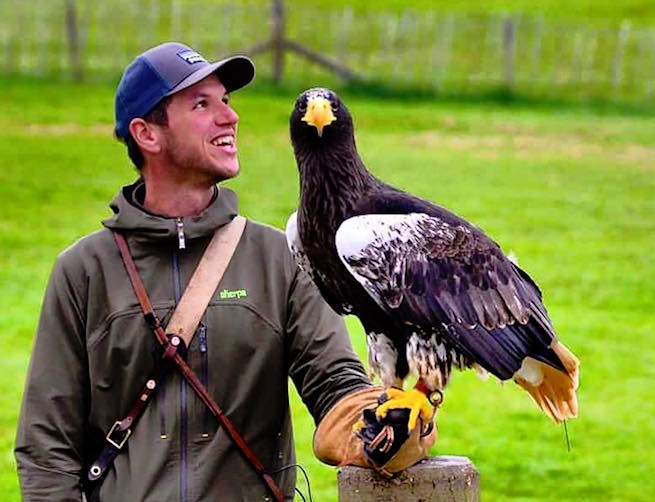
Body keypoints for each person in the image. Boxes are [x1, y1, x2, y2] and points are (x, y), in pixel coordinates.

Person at [15, 42, 434, 501]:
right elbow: (46, 448)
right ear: (147, 134)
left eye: (227, 102)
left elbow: (336, 382)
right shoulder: (83, 272)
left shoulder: (281, 259)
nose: (230, 118)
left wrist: (375, 426)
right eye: (201, 104)